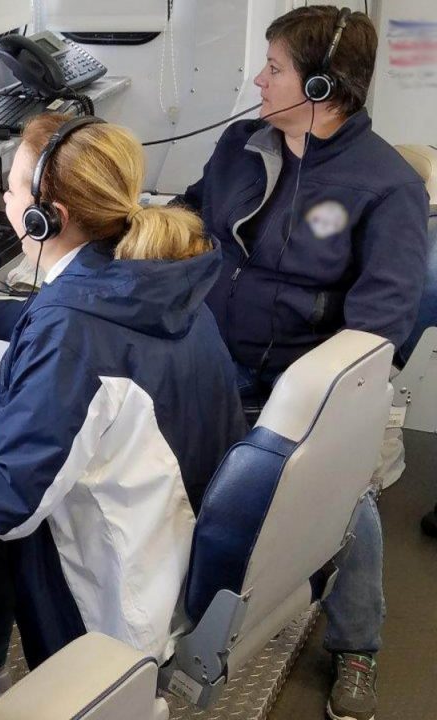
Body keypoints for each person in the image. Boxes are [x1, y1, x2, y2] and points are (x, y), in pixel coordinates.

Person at [0, 114, 248, 668]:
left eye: (13, 190)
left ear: (47, 219)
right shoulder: (158, 274)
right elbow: (65, 320)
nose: (5, 202)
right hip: (183, 550)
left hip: (119, 611)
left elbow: (4, 506)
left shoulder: (70, 331)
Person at [176, 7, 430, 720]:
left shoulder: (386, 187)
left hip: (305, 386)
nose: (258, 80)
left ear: (322, 85)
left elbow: (380, 325)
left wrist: (316, 410)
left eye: (275, 68)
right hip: (213, 356)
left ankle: (357, 644)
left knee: (345, 502)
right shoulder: (241, 144)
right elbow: (193, 213)